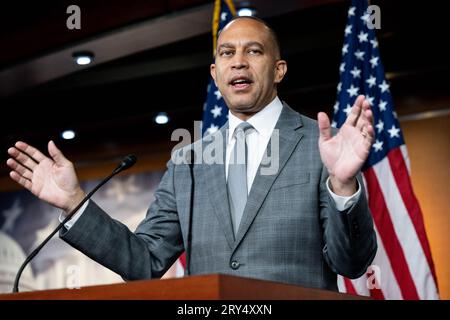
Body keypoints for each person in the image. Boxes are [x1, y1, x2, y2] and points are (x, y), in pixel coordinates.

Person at [6, 17, 377, 291]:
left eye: (254, 51)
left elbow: (352, 263)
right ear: (216, 74)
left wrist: (343, 185)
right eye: (227, 53)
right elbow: (145, 262)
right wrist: (74, 203)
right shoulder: (189, 162)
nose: (239, 62)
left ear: (278, 70)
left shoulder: (318, 144)